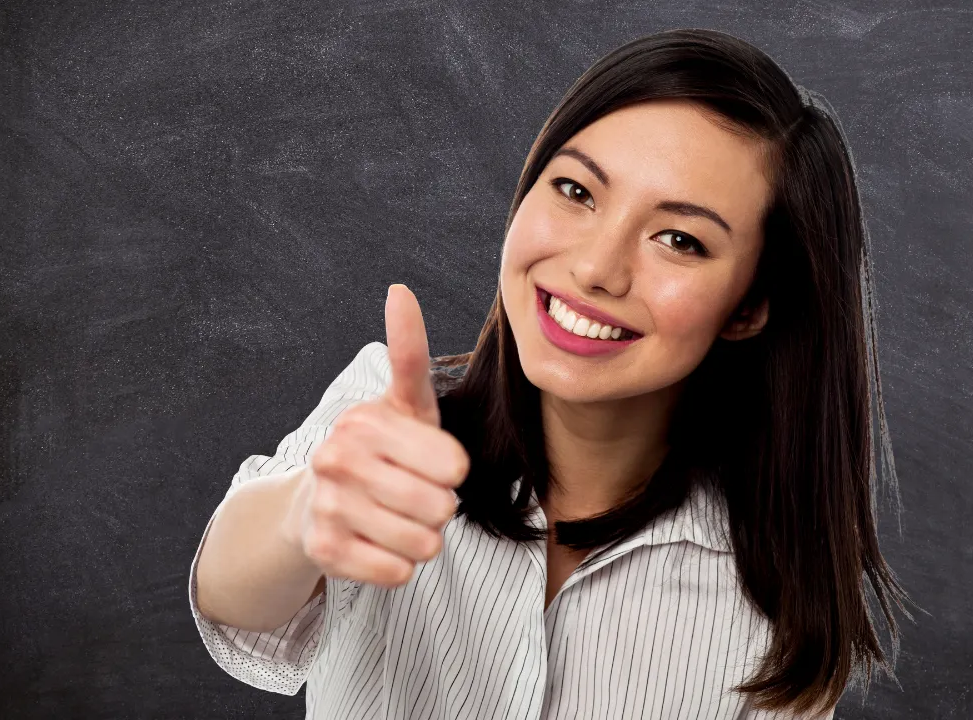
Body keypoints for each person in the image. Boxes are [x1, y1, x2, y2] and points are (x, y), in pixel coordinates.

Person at [189, 27, 914, 720]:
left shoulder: (777, 583)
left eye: (679, 239)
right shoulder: (384, 416)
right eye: (576, 191)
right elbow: (235, 616)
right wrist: (304, 513)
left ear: (750, 305)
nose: (596, 268)